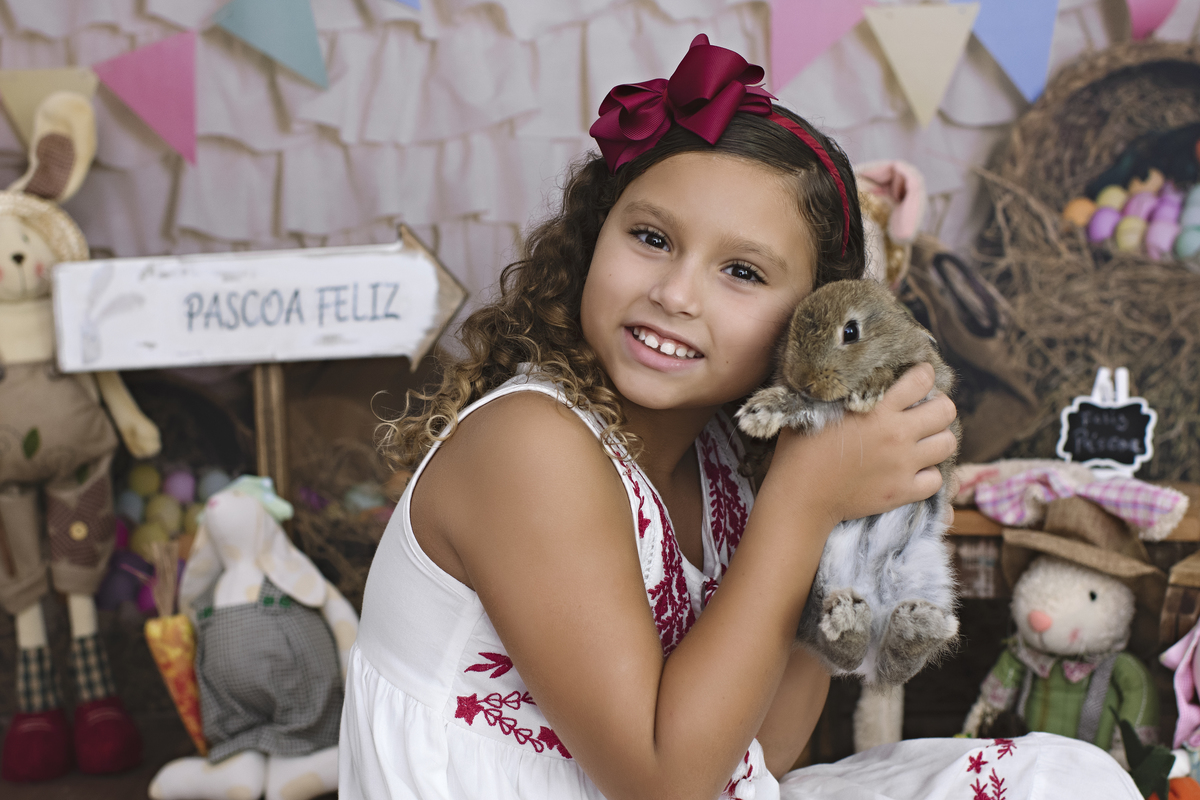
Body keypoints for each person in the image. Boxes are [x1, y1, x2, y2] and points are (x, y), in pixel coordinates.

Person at [339, 35, 1142, 800]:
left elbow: (764, 753)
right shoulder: (528, 444)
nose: (677, 293)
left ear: (808, 319)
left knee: (1070, 782)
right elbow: (664, 784)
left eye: (742, 272)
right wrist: (804, 502)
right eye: (651, 237)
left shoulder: (725, 460)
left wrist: (847, 521)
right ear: (592, 241)